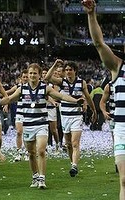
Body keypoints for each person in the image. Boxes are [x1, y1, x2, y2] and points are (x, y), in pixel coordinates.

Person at [0, 63, 84, 189]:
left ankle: (42, 179)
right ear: (27, 75)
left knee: (41, 150)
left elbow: (61, 96)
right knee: (31, 153)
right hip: (28, 124)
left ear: (39, 75)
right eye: (30, 73)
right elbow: (10, 99)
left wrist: (75, 101)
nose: (32, 75)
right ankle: (35, 176)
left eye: (35, 73)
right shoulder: (22, 89)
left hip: (41, 124)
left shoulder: (45, 88)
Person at [84, 1, 125, 198]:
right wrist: (92, 15)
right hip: (122, 130)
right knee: (124, 180)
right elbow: (99, 43)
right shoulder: (118, 67)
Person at [44, 59, 96, 177]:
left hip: (77, 116)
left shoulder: (81, 83)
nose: (68, 72)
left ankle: (74, 166)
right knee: (68, 144)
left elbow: (87, 97)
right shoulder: (62, 82)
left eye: (70, 70)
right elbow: (47, 78)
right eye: (66, 70)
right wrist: (55, 65)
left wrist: (93, 111)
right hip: (65, 116)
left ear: (75, 71)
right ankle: (72, 162)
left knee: (75, 143)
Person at [7, 69, 29, 161]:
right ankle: (19, 152)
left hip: (29, 113)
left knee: (27, 134)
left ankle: (28, 153)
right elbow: (8, 94)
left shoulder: (33, 88)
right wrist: (4, 103)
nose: (25, 78)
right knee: (19, 132)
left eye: (26, 77)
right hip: (20, 112)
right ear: (21, 78)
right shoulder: (17, 87)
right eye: (23, 77)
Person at [99, 82, 117, 172]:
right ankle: (117, 162)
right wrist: (104, 112)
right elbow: (102, 102)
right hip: (113, 118)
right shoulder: (109, 86)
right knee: (116, 141)